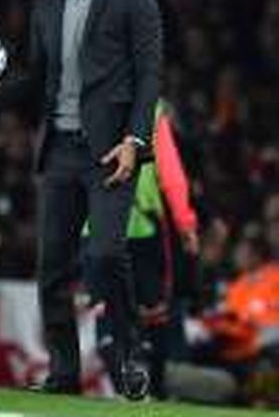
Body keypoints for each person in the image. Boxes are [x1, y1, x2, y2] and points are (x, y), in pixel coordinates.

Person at [0, 0, 161, 399]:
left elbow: (149, 75)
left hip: (110, 151)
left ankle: (129, 353)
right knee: (52, 268)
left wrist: (135, 140)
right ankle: (64, 373)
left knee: (104, 254)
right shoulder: (46, 4)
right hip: (59, 150)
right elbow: (39, 77)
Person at [87, 99, 199, 399]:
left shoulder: (84, 93)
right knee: (153, 317)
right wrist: (185, 222)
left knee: (107, 312)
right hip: (142, 229)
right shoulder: (151, 107)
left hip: (99, 225)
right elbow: (170, 170)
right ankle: (151, 395)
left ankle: (131, 395)